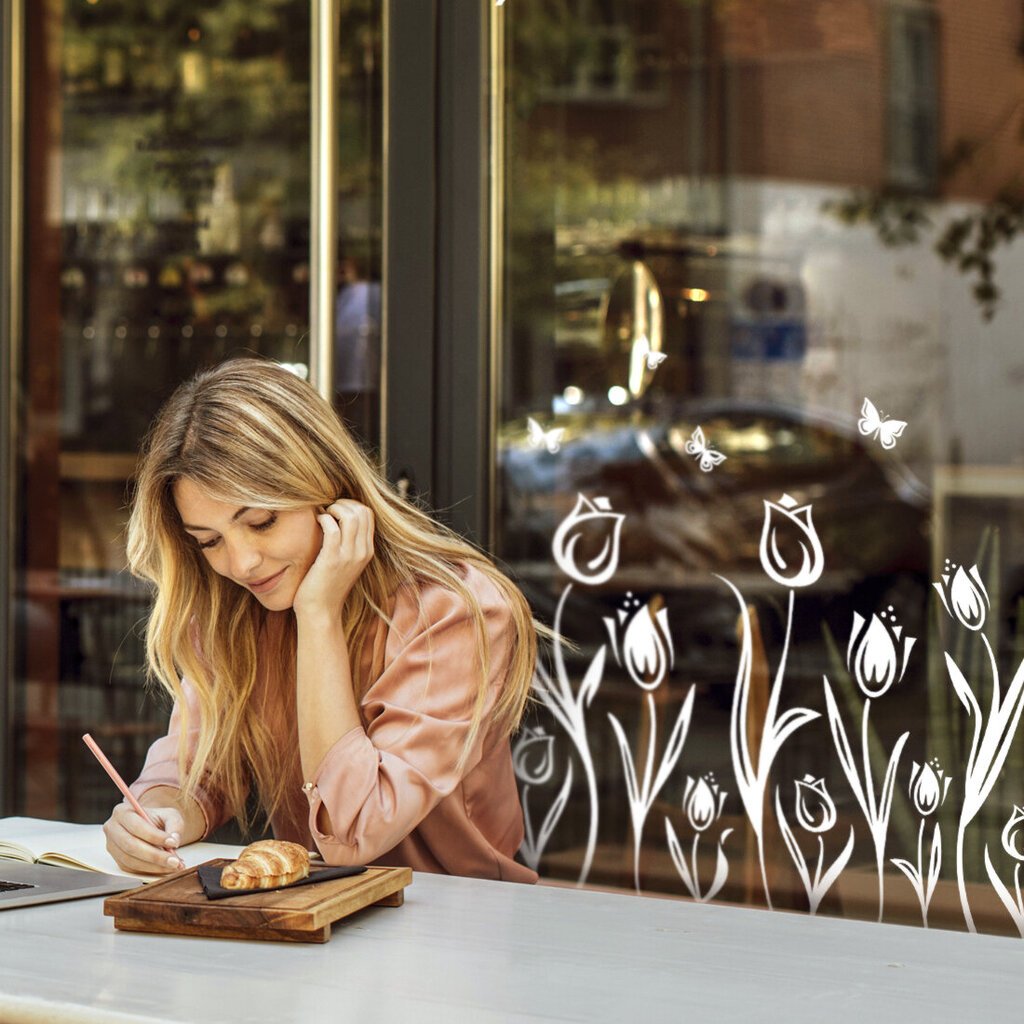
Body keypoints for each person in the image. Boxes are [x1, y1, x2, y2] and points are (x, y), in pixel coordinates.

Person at [102, 357, 539, 884]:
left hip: (461, 923)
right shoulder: (234, 608)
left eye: (261, 522)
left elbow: (356, 832)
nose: (241, 563)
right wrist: (159, 811)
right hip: (315, 920)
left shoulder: (454, 610)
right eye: (209, 541)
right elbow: (203, 767)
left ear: (328, 488)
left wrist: (318, 617)